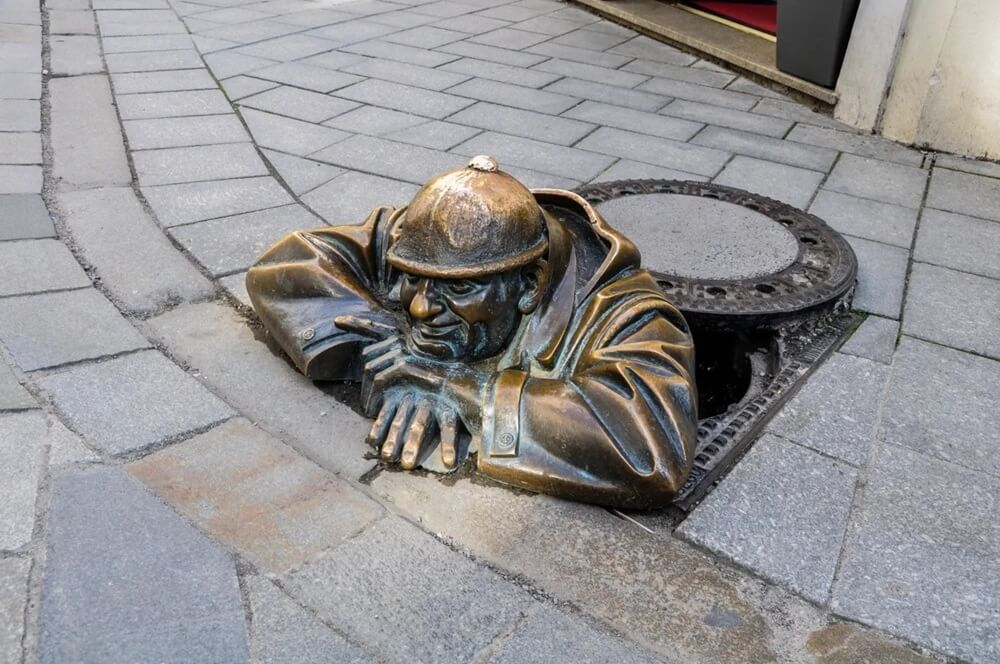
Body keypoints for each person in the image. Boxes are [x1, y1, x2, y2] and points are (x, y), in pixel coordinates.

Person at [246, 156, 698, 508]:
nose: (420, 307)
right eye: (412, 279)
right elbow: (290, 262)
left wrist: (464, 388)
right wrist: (383, 341)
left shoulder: (627, 313)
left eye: (459, 289)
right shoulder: (426, 239)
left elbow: (652, 448)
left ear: (531, 284)